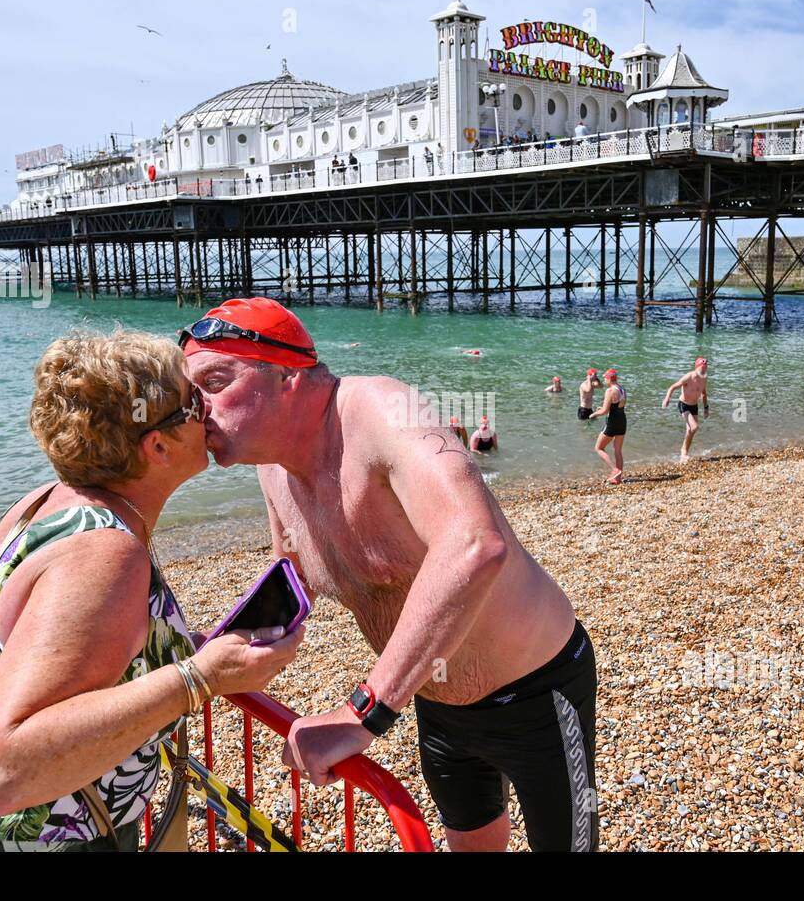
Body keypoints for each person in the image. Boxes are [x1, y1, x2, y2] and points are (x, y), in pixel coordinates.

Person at [0, 330, 301, 851]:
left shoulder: (44, 502)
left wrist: (176, 651)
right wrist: (199, 678)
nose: (210, 410)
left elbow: (47, 649)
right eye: (193, 402)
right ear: (157, 445)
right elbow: (5, 771)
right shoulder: (104, 552)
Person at [182, 298, 597, 852]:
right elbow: (294, 575)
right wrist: (203, 657)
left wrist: (363, 714)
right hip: (434, 699)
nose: (197, 409)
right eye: (191, 394)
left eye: (214, 381)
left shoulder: (377, 409)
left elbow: (473, 545)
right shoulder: (273, 470)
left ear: (288, 376)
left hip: (536, 693)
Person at [663, 357, 709, 462]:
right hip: (684, 405)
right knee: (694, 427)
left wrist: (706, 408)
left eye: (706, 367)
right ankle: (683, 449)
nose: (704, 369)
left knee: (691, 430)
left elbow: (704, 394)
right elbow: (673, 387)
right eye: (702, 367)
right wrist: (667, 398)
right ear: (697, 367)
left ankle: (684, 454)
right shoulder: (689, 377)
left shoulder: (704, 378)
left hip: (694, 406)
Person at [589, 367, 626, 484]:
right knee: (618, 450)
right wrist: (605, 409)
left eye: (605, 378)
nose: (604, 380)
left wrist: (594, 414)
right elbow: (617, 407)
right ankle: (618, 479)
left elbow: (605, 411)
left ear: (610, 379)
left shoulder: (610, 391)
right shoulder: (622, 389)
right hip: (622, 421)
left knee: (598, 448)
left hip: (612, 422)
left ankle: (614, 469)